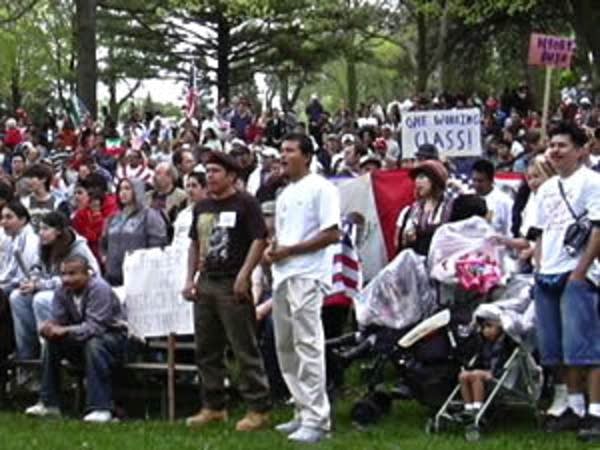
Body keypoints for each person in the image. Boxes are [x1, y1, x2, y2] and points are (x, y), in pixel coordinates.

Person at [182, 151, 272, 432]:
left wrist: (245, 276)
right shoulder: (202, 206)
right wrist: (190, 278)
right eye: (207, 171)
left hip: (233, 280)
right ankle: (213, 406)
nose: (209, 176)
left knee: (243, 346)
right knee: (206, 348)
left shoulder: (246, 203)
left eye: (215, 171)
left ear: (232, 176)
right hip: (207, 280)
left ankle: (258, 408)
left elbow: (260, 239)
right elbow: (195, 244)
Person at [264, 133, 341, 444]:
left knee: (308, 344)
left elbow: (331, 234)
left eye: (290, 150)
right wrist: (275, 250)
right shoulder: (284, 194)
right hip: (282, 274)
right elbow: (285, 237)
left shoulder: (323, 188)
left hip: (307, 274)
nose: (283, 155)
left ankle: (318, 419)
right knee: (286, 345)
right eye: (281, 149)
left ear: (307, 156)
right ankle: (301, 408)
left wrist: (290, 250)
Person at [529, 122, 600, 442]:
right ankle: (573, 406)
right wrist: (540, 266)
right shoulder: (545, 189)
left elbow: (598, 229)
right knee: (555, 349)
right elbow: (541, 231)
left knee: (584, 347)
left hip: (579, 272)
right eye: (552, 145)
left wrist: (580, 271)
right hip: (548, 273)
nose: (555, 151)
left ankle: (596, 412)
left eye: (563, 145)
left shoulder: (592, 182)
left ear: (581, 149)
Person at [25, 256, 128, 423]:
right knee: (52, 342)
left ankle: (101, 408)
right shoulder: (62, 291)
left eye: (73, 274)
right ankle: (48, 403)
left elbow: (96, 327)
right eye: (64, 274)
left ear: (87, 274)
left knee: (94, 342)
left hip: (115, 340)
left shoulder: (99, 288)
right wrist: (48, 327)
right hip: (82, 339)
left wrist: (63, 330)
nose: (67, 279)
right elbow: (59, 320)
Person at [9, 212, 99, 361]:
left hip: (78, 294)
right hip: (52, 288)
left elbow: (73, 279)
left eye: (45, 229)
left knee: (41, 298)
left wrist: (39, 285)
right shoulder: (44, 245)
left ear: (58, 231)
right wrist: (32, 279)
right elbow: (36, 266)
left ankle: (48, 355)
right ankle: (27, 355)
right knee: (17, 297)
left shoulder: (77, 248)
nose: (40, 233)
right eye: (39, 229)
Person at [101, 178, 168, 286]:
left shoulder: (149, 215)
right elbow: (104, 242)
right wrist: (105, 257)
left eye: (127, 188)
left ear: (137, 191)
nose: (123, 192)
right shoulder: (113, 218)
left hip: (139, 277)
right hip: (113, 276)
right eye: (120, 189)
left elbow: (158, 244)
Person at [459, 315, 514, 418]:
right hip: (485, 371)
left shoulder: (505, 341)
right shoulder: (484, 343)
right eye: (484, 327)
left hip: (499, 372)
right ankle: (468, 407)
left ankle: (478, 407)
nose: (486, 330)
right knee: (463, 375)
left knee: (475, 375)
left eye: (489, 327)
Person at [395, 160, 452, 256]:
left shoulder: (451, 208)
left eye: (422, 177)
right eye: (416, 178)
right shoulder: (410, 212)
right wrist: (407, 240)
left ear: (435, 179)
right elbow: (399, 245)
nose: (417, 181)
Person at [0, 200, 39, 293]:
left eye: (9, 217)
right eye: (2, 217)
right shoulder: (9, 238)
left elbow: (24, 275)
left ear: (22, 220)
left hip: (25, 284)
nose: (3, 221)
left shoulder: (31, 240)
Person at [471, 159, 513, 236]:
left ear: (491, 180)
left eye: (480, 181)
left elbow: (510, 231)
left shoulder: (504, 201)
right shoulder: (469, 198)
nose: (476, 184)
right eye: (474, 180)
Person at [171, 170, 207, 248]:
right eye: (188, 186)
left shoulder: (209, 213)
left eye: (194, 186)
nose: (190, 190)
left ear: (205, 189)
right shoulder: (183, 213)